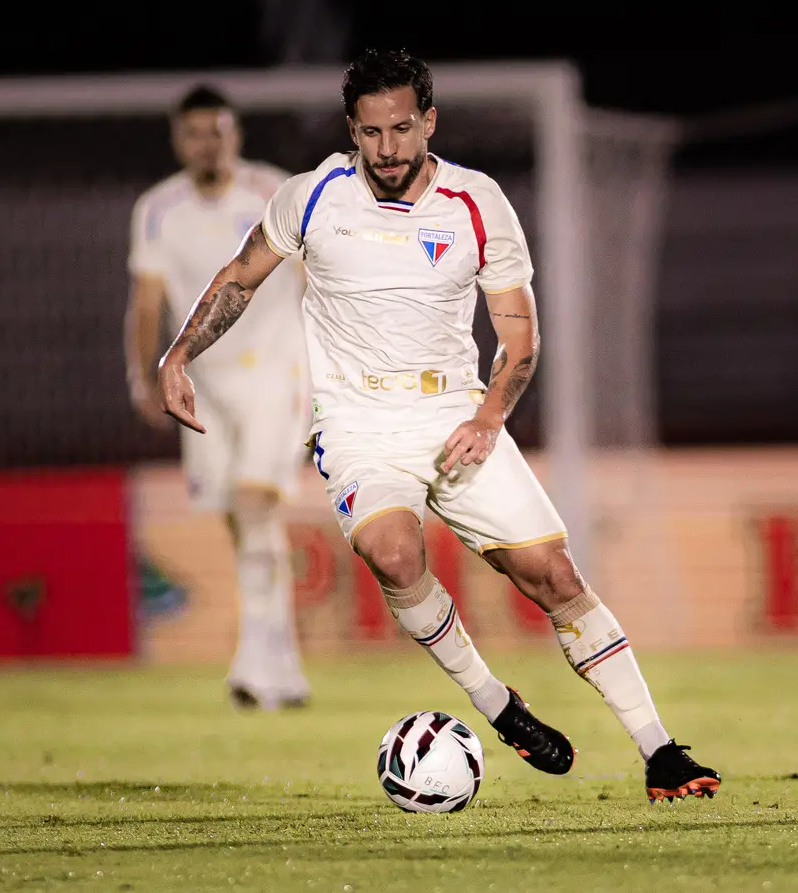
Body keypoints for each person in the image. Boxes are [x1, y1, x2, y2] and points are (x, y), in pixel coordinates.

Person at [155, 49, 720, 802]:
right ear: (350, 129)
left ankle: (659, 750)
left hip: (455, 413)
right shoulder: (311, 196)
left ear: (429, 120)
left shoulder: (476, 203)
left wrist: (489, 418)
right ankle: (497, 703)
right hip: (356, 425)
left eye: (400, 128)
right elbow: (239, 277)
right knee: (394, 553)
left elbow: (519, 340)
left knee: (553, 576)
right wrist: (179, 353)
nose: (386, 149)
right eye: (369, 132)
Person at [127, 84, 313, 710]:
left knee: (256, 503)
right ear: (179, 140)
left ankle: (254, 663)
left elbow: (316, 279)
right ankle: (282, 661)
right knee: (244, 522)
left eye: (219, 130)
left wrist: (329, 368)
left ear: (237, 135)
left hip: (275, 372)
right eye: (195, 132)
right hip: (203, 384)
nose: (208, 143)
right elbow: (148, 300)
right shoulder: (158, 209)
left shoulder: (273, 192)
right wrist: (143, 374)